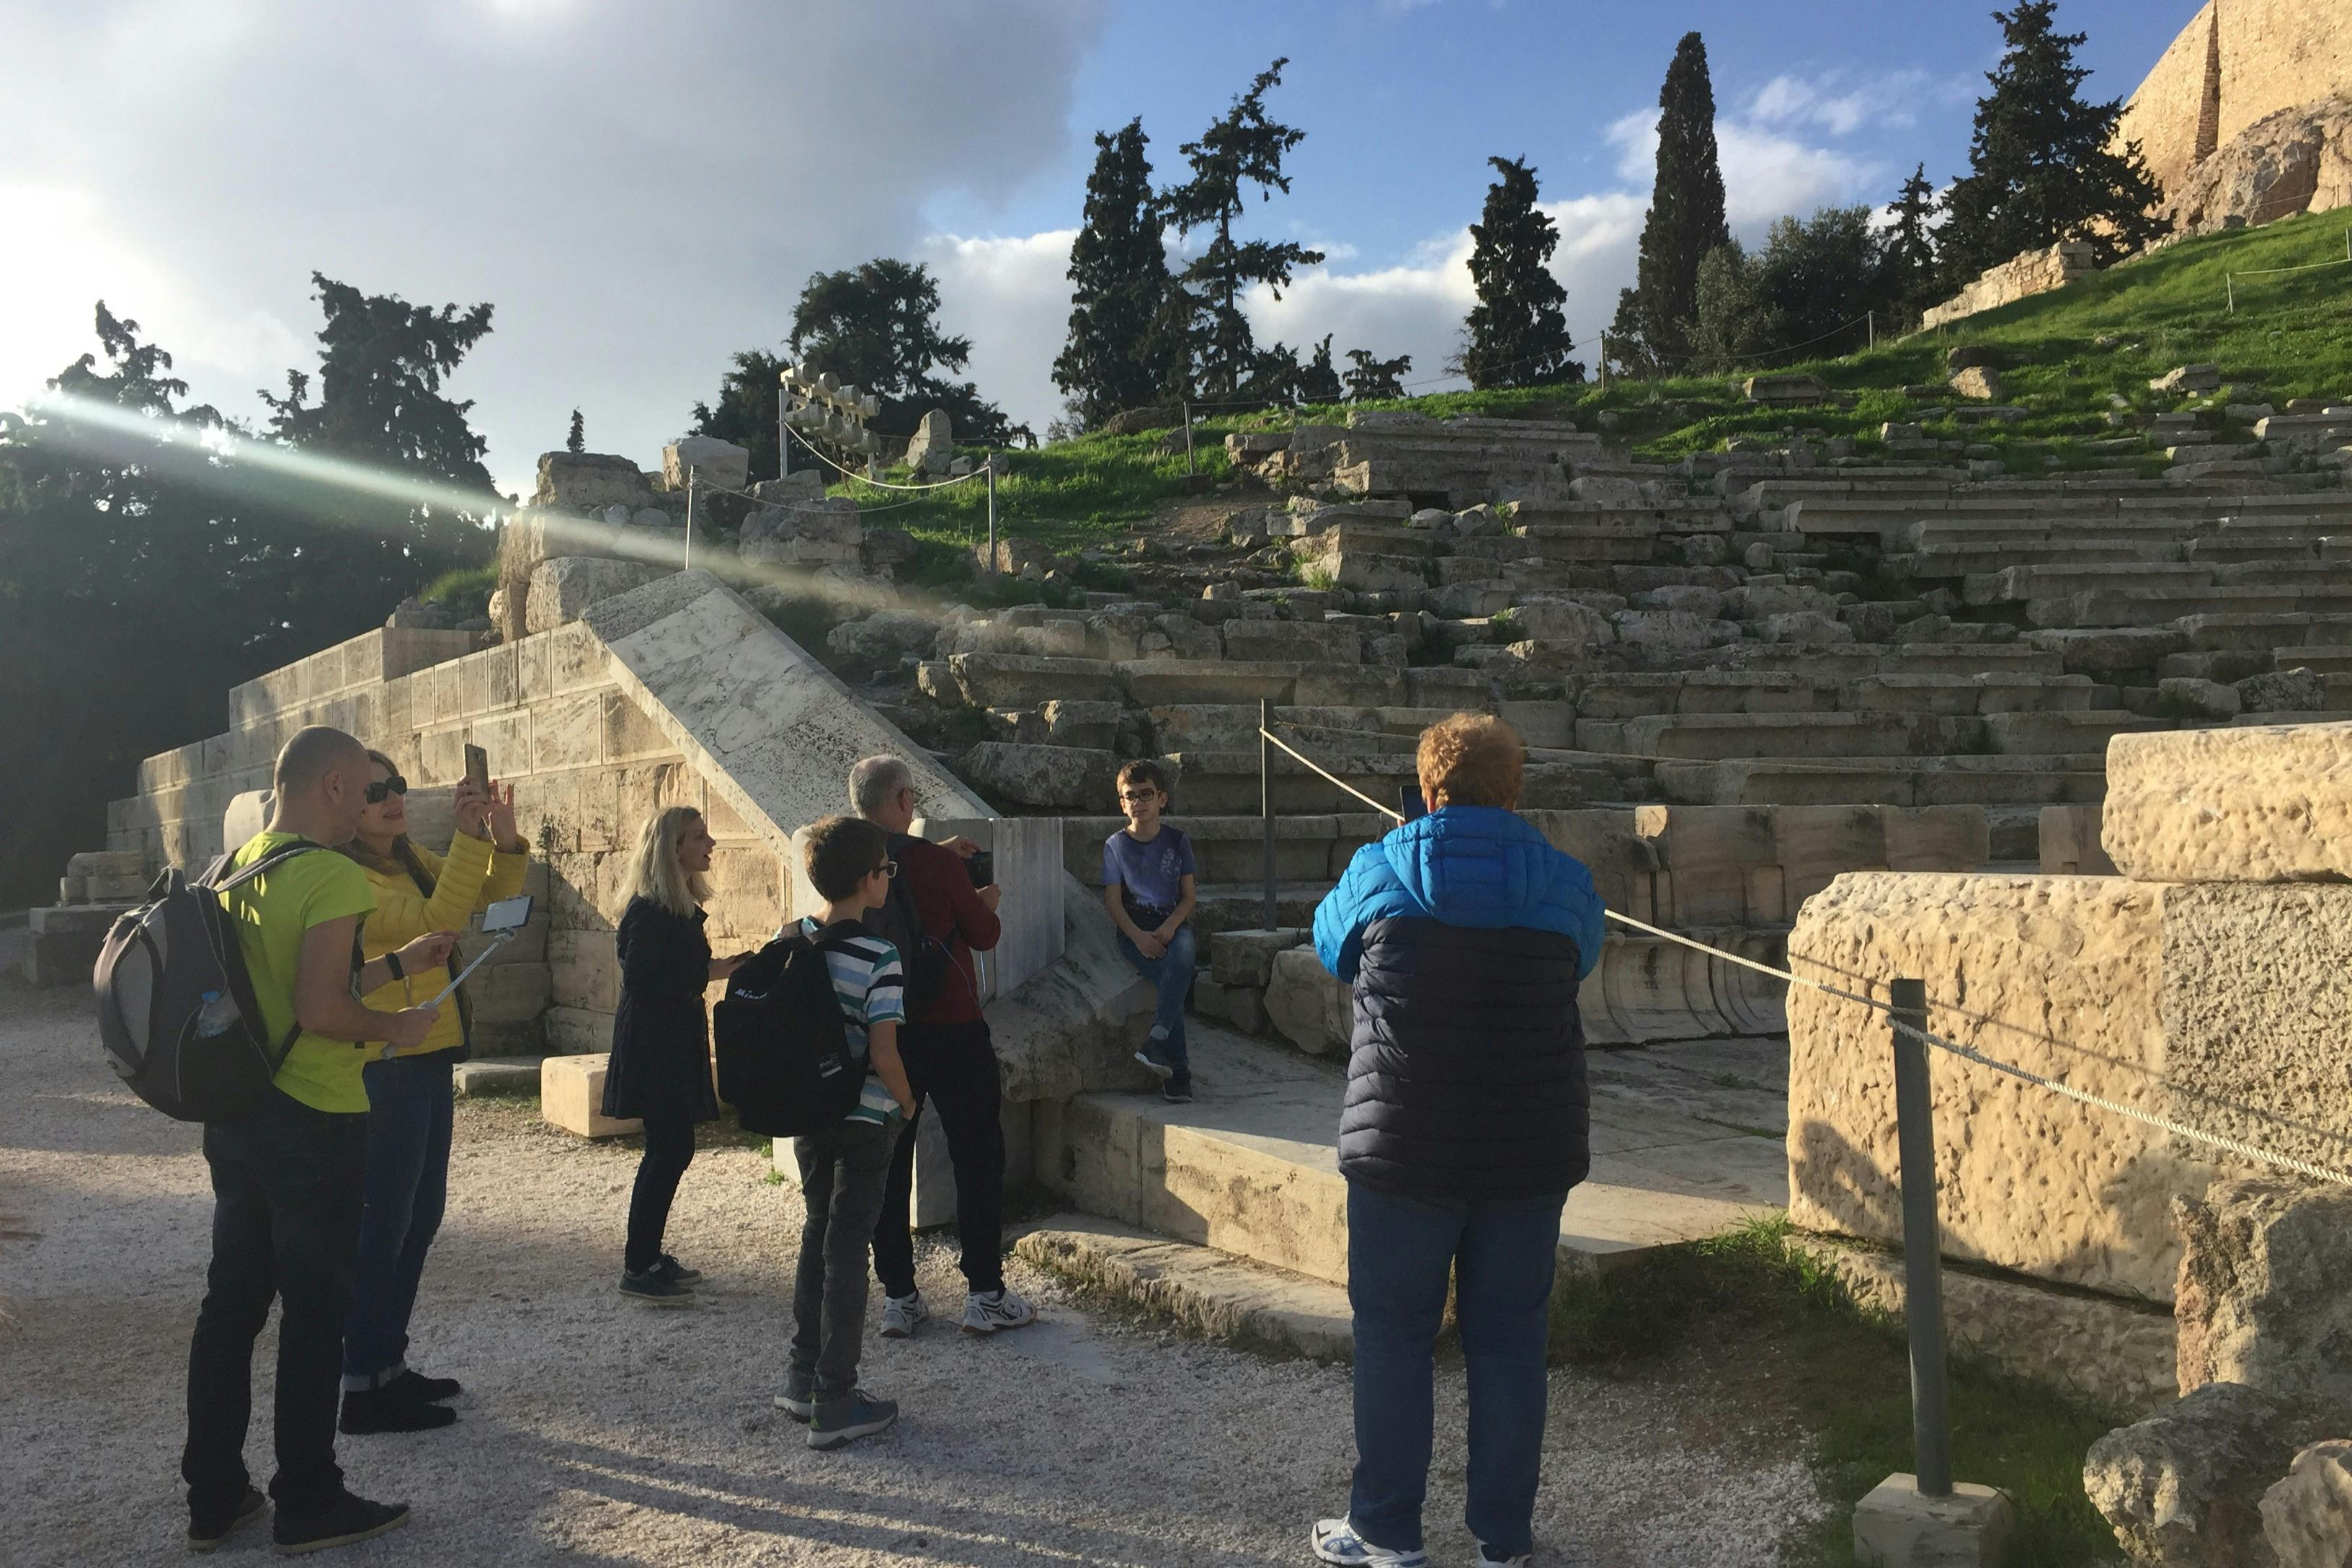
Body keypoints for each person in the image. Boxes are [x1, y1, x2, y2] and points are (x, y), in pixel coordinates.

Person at [1306, 713, 1605, 1568]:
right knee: (1512, 1342)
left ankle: (1389, 1531)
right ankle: (1503, 1538)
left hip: (1403, 1144)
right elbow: (1581, 958)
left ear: (1427, 790)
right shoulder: (1566, 881)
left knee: (1394, 1337)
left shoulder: (1379, 868)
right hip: (1526, 1146)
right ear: (1515, 790)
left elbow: (1331, 946)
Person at [183, 726, 452, 1556]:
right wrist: (398, 1027)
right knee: (314, 1314)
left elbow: (288, 989)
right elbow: (321, 1011)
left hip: (239, 1118)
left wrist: (397, 964)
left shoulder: (239, 866)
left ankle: (215, 1493)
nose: (372, 803)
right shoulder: (332, 874)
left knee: (230, 1308)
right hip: (316, 1119)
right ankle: (308, 1496)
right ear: (332, 785)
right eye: (364, 788)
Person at [336, 752, 530, 1435]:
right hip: (386, 1054)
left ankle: (386, 1364)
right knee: (383, 1222)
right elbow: (435, 921)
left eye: (396, 787)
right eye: (375, 791)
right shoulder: (347, 873)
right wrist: (470, 842)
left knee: (419, 1216)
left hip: (428, 1048)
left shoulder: (406, 855)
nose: (392, 799)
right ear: (340, 798)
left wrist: (500, 839)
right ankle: (360, 1385)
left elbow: (484, 901)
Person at [845, 754, 1036, 1338]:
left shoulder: (848, 860)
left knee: (888, 1161)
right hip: (952, 1024)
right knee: (977, 1153)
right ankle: (984, 1293)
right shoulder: (934, 864)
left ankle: (899, 1296)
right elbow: (985, 934)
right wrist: (987, 896)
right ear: (905, 801)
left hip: (884, 1028)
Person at [771, 815, 919, 1451]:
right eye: (886, 869)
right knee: (847, 1248)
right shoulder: (879, 956)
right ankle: (836, 1398)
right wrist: (908, 1104)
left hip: (808, 1112)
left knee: (816, 1234)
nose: (889, 879)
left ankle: (802, 1375)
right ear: (868, 880)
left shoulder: (793, 938)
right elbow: (884, 1049)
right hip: (864, 1118)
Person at [605, 806, 747, 1306]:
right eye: (699, 837)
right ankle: (638, 1265)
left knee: (670, 1148)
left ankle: (647, 1256)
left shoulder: (675, 905)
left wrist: (725, 968)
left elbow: (676, 971)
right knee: (668, 1149)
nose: (710, 844)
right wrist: (708, 974)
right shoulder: (649, 909)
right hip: (653, 1043)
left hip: (671, 1037)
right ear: (673, 849)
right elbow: (646, 978)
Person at [1102, 759, 1198, 1104]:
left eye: (1146, 794)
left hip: (1172, 924)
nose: (1139, 802)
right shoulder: (1115, 846)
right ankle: (1179, 1070)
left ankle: (1163, 1049)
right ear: (1122, 804)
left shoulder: (1177, 840)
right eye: (1132, 796)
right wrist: (1139, 937)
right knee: (1172, 982)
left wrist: (1170, 927)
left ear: (1162, 798)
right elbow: (1113, 903)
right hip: (1134, 928)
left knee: (1183, 958)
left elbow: (1189, 898)